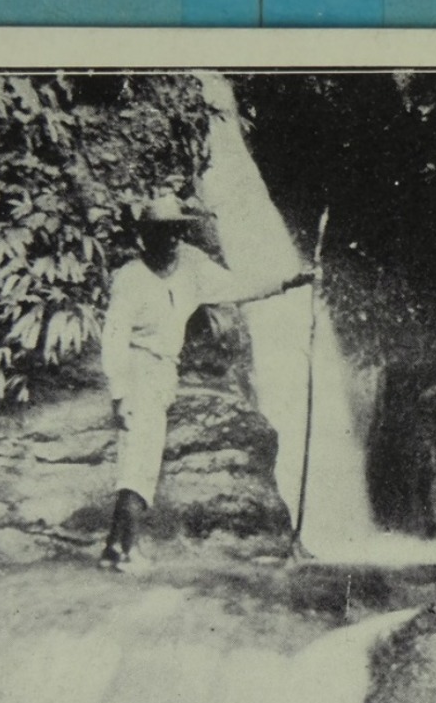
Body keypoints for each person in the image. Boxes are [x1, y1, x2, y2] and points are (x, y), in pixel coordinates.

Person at [100, 193, 310, 571]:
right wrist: (119, 393)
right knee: (139, 464)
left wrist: (290, 281)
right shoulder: (129, 278)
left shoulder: (192, 267)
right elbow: (113, 338)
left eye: (176, 231)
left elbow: (238, 286)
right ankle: (124, 553)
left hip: (164, 370)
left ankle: (115, 548)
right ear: (145, 237)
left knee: (140, 460)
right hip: (137, 369)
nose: (171, 240)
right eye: (160, 233)